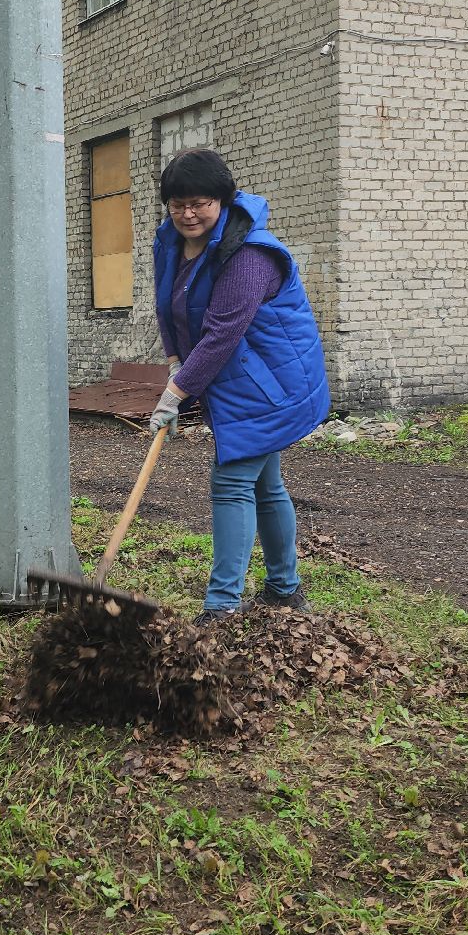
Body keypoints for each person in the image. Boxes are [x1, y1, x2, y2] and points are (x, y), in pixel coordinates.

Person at [147, 149, 331, 626]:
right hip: (237, 378)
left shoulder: (249, 255)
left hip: (270, 384)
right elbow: (168, 305)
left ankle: (223, 604)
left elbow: (222, 333)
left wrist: (176, 392)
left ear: (223, 201)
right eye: (177, 203)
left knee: (231, 482)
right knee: (266, 485)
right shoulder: (171, 241)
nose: (187, 213)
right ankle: (285, 590)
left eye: (200, 203)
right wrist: (173, 361)